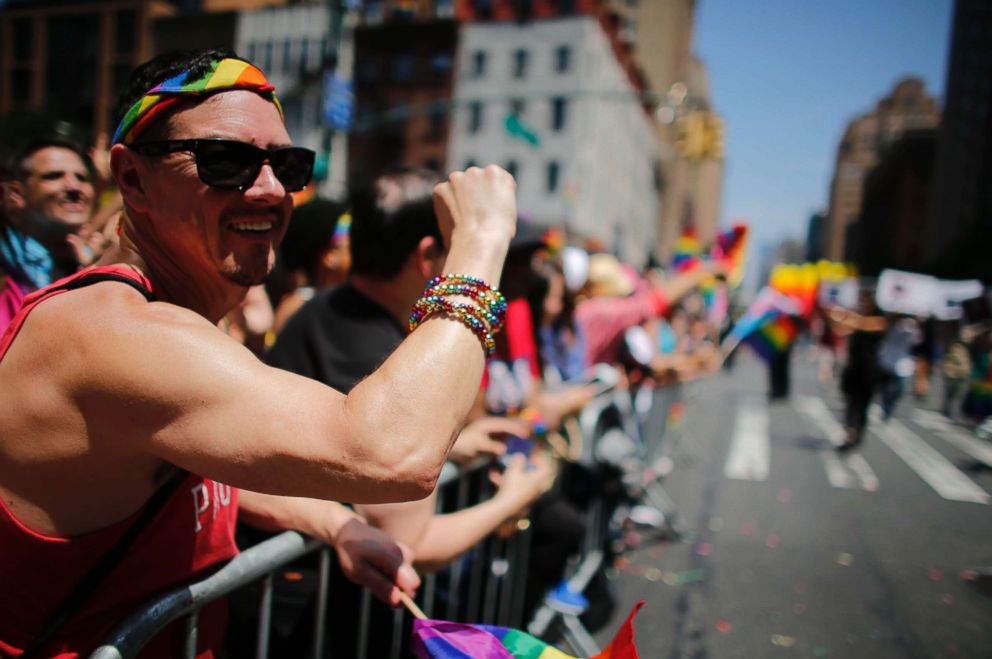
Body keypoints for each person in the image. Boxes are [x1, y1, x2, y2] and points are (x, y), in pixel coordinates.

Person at [0, 49, 517, 658]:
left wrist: (334, 523)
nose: (271, 191)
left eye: (288, 165)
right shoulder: (111, 333)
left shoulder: (170, 326)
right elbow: (392, 453)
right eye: (227, 161)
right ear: (133, 178)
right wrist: (480, 246)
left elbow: (199, 465)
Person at [828, 292, 887, 451]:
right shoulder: (856, 315)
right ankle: (850, 431)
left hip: (870, 369)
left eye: (866, 301)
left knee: (863, 405)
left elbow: (871, 324)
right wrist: (836, 316)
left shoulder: (878, 318)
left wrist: (848, 316)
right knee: (850, 402)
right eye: (862, 300)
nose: (863, 304)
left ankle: (857, 432)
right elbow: (840, 330)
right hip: (853, 368)